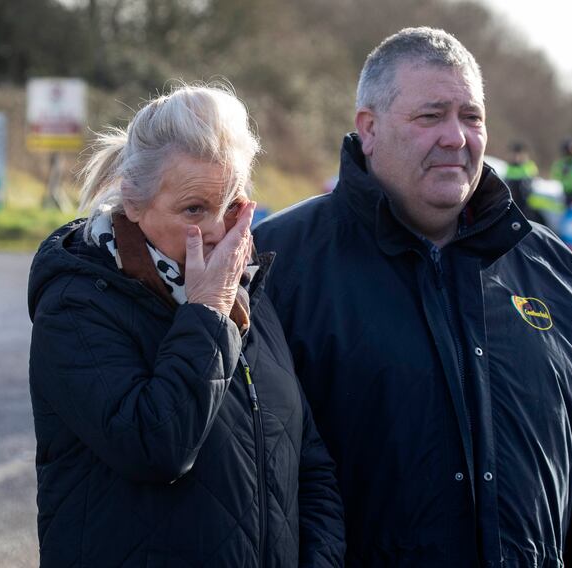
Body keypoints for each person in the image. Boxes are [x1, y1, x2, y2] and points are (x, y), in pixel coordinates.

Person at [254, 27, 572, 566]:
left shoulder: (560, 280)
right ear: (368, 129)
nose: (456, 137)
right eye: (430, 116)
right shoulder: (275, 268)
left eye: (471, 117)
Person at [27, 84, 345, 567]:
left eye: (233, 206)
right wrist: (208, 310)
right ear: (133, 203)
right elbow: (158, 447)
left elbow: (309, 463)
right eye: (194, 209)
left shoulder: (247, 292)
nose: (218, 231)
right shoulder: (76, 304)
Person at [504, 140, 539, 214]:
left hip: (525, 198)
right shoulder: (510, 166)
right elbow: (507, 181)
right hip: (514, 197)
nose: (516, 157)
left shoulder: (529, 165)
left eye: (518, 154)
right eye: (514, 154)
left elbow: (534, 179)